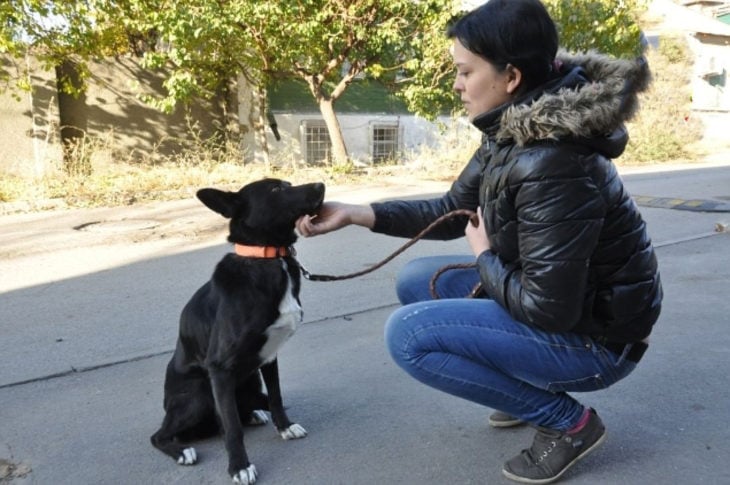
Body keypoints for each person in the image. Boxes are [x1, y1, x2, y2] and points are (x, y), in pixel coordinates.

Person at [296, 0, 661, 482]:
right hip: (570, 307)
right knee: (416, 281)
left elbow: (549, 309)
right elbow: (451, 211)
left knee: (409, 336)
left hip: (599, 343)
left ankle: (567, 423)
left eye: (466, 72)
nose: (456, 84)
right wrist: (356, 214)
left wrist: (485, 256)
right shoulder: (516, 127)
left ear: (510, 77)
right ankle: (524, 392)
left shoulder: (552, 161)